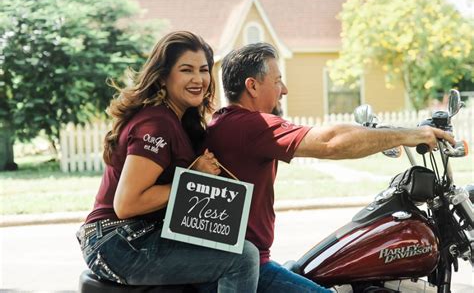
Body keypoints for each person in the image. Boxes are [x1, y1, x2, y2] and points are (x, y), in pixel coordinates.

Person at [204, 43, 456, 293]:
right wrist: (408, 135)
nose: (285, 90)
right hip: (249, 268)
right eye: (278, 81)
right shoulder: (249, 125)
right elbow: (330, 142)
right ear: (253, 85)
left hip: (242, 261)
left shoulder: (230, 123)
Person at [76, 31, 259, 292]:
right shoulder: (157, 123)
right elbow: (127, 203)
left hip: (134, 236)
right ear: (163, 76)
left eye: (203, 70)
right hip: (117, 240)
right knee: (243, 258)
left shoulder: (177, 121)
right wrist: (193, 179)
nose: (198, 79)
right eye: (186, 70)